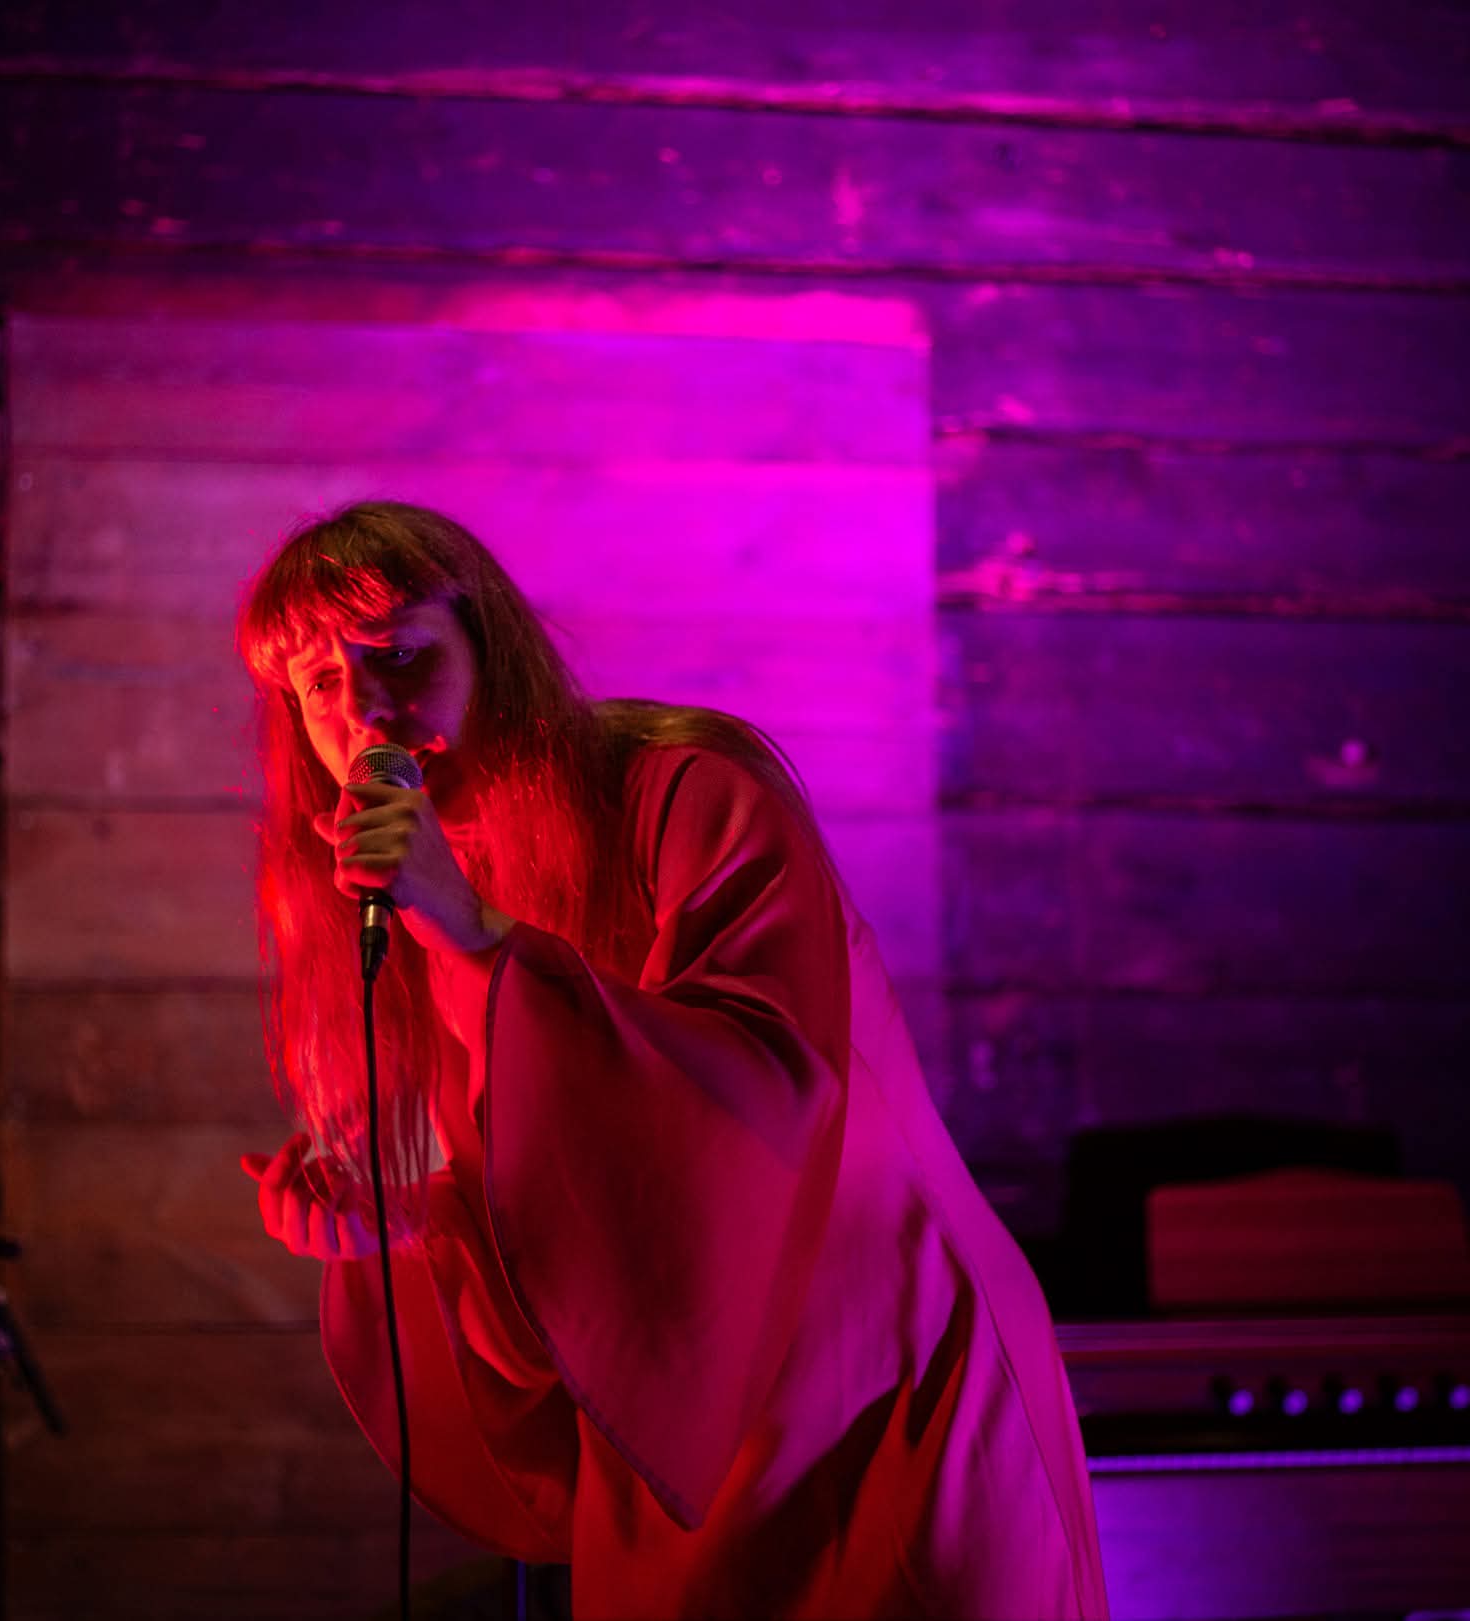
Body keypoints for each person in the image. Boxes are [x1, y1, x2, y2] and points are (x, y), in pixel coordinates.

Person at [235, 501, 1108, 1618]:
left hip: (877, 1377)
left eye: (399, 655)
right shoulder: (414, 888)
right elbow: (563, 1191)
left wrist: (482, 940)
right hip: (676, 1430)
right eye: (319, 682)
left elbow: (754, 1101)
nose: (363, 709)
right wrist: (404, 1218)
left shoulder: (689, 788)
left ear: (489, 645)